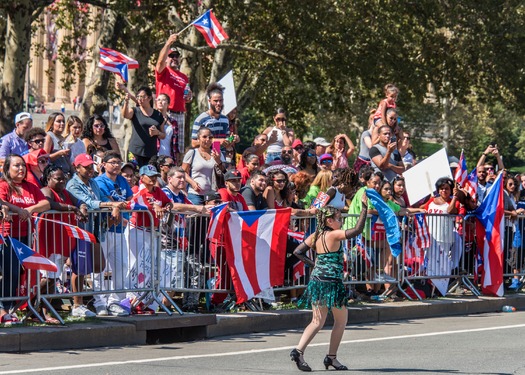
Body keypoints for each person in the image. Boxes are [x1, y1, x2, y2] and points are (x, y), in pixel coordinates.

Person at [291, 195, 368, 372]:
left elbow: (298, 251)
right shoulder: (334, 235)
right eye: (339, 219)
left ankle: (298, 350)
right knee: (341, 321)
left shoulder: (316, 235)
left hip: (317, 281)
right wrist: (363, 209)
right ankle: (331, 358)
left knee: (317, 321)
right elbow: (356, 230)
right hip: (332, 282)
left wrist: (314, 264)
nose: (340, 222)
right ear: (329, 221)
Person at [66, 153, 126, 316]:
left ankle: (94, 300)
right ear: (76, 167)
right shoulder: (72, 184)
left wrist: (112, 208)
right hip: (81, 229)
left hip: (96, 230)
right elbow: (88, 203)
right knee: (80, 268)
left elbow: (100, 198)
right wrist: (110, 204)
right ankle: (77, 305)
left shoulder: (93, 182)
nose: (90, 170)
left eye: (91, 166)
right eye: (86, 167)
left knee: (99, 266)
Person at [0, 154, 50, 324]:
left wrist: (29, 208)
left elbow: (46, 204)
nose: (21, 169)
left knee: (21, 273)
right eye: (16, 166)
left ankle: (10, 309)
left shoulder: (31, 186)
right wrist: (16, 209)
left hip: (26, 235)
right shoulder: (4, 185)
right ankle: (3, 309)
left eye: (23, 165)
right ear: (7, 169)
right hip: (8, 236)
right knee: (10, 272)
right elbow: (1, 202)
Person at [40, 164, 93, 317]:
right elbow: (51, 204)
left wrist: (81, 208)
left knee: (53, 278)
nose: (62, 181)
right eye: (58, 178)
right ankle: (28, 299)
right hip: (49, 240)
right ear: (48, 179)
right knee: (49, 278)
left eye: (64, 178)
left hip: (63, 240)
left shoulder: (66, 193)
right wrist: (72, 208)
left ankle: (44, 311)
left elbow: (80, 202)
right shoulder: (46, 191)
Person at [160, 166, 211, 312]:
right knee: (173, 276)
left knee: (190, 272)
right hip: (166, 241)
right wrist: (196, 209)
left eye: (184, 178)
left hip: (182, 241)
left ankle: (180, 305)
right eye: (179, 177)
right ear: (169, 179)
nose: (183, 180)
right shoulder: (164, 192)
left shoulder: (182, 194)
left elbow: (191, 208)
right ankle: (164, 307)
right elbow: (171, 206)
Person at [127, 165, 173, 313]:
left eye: (155, 175)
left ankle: (145, 302)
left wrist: (167, 207)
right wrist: (153, 206)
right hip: (137, 231)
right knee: (136, 266)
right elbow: (133, 203)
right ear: (142, 178)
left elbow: (168, 202)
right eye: (149, 176)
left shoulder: (158, 191)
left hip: (152, 232)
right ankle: (131, 301)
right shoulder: (137, 190)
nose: (153, 178)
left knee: (150, 267)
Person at [94, 151, 134, 316]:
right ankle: (100, 302)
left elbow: (130, 199)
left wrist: (122, 205)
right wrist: (120, 204)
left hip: (120, 230)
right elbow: (109, 202)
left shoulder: (122, 180)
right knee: (99, 269)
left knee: (121, 265)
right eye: (112, 162)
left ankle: (115, 301)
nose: (116, 165)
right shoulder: (99, 181)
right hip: (104, 229)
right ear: (103, 164)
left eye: (118, 162)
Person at [155, 34, 192, 158]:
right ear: (166, 58)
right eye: (171, 56)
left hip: (180, 114)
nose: (174, 58)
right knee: (163, 145)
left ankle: (176, 171)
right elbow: (160, 62)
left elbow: (186, 96)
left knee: (178, 149)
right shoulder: (163, 72)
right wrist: (168, 43)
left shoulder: (184, 77)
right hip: (166, 112)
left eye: (177, 56)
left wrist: (189, 97)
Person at [120, 86, 165, 167]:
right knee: (135, 176)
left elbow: (163, 135)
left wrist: (157, 132)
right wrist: (126, 102)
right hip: (135, 152)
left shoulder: (158, 115)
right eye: (138, 97)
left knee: (150, 177)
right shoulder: (135, 111)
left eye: (143, 97)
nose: (140, 99)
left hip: (151, 153)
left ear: (149, 98)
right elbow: (125, 115)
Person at [182, 127, 226, 205]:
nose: (207, 139)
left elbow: (224, 172)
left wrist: (218, 160)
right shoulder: (192, 153)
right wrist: (192, 183)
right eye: (204, 137)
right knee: (195, 216)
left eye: (210, 137)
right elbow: (182, 172)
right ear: (198, 139)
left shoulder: (218, 153)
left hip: (213, 196)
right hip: (195, 194)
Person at [191, 83, 235, 148]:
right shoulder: (201, 119)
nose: (219, 103)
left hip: (221, 157)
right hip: (206, 156)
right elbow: (194, 143)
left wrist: (233, 139)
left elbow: (226, 142)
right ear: (209, 101)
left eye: (221, 100)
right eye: (215, 101)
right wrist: (216, 141)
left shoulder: (225, 119)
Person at [43, 112, 72, 177]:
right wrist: (59, 153)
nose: (62, 124)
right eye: (59, 121)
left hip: (66, 175)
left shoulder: (63, 138)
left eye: (63, 121)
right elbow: (45, 158)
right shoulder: (49, 136)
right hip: (55, 175)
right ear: (52, 123)